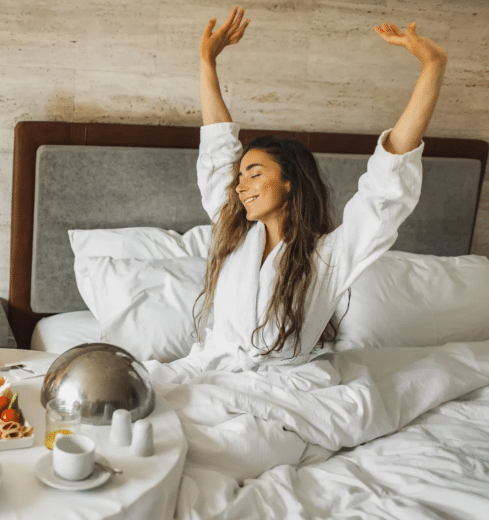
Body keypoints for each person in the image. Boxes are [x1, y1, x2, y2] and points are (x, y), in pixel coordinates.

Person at [145, 6, 448, 384]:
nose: (239, 186)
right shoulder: (235, 235)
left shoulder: (329, 256)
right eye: (239, 177)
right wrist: (207, 62)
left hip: (283, 388)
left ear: (289, 181)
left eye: (254, 174)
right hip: (208, 372)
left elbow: (385, 188)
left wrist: (432, 67)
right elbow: (217, 148)